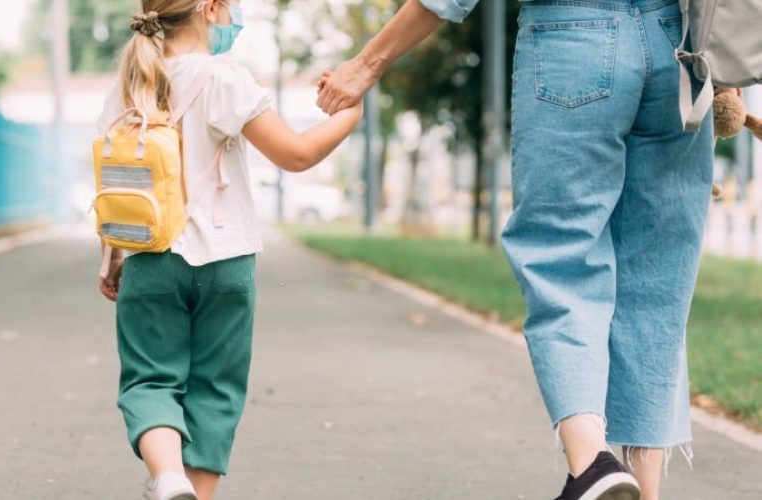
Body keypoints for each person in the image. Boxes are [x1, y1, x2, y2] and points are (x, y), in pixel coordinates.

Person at [317, 1, 713, 499]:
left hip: (573, 36)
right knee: (657, 281)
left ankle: (593, 465)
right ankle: (643, 491)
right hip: (680, 47)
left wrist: (365, 64)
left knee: (561, 253)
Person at [96, 1, 363, 499]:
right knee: (216, 388)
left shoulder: (127, 85)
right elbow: (297, 153)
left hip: (149, 259)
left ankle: (168, 476)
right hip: (227, 260)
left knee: (151, 381)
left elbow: (119, 183)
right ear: (211, 8)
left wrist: (112, 256)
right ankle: (195, 493)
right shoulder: (225, 79)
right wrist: (351, 114)